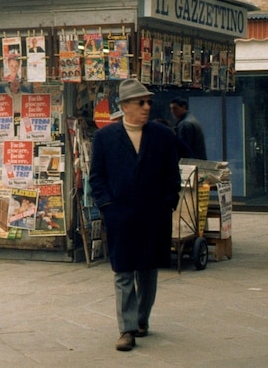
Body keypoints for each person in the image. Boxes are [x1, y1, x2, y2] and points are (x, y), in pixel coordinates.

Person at [89, 78, 181, 352]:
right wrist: (108, 207)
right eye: (141, 102)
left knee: (148, 270)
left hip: (154, 214)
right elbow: (97, 177)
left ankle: (141, 319)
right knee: (123, 270)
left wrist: (168, 202)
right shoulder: (105, 137)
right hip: (120, 215)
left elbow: (171, 174)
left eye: (149, 102)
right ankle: (126, 329)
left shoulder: (162, 135)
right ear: (125, 106)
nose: (146, 107)